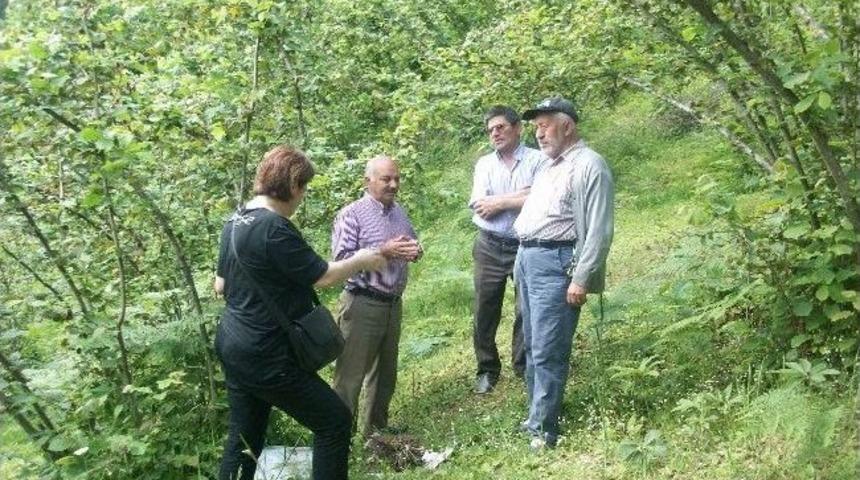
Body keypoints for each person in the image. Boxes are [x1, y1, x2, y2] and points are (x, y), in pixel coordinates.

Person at [213, 145, 387, 480]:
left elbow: (220, 284)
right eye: (304, 188)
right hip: (266, 352)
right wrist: (363, 259)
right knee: (333, 420)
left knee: (244, 439)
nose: (302, 197)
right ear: (294, 186)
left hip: (234, 344)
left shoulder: (234, 221)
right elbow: (323, 276)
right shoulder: (274, 228)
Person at [513, 97, 614, 449]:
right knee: (530, 343)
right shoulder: (549, 165)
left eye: (544, 125)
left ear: (567, 126)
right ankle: (535, 418)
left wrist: (581, 277)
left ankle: (544, 431)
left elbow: (600, 230)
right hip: (527, 258)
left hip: (556, 262)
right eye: (536, 127)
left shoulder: (590, 165)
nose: (538, 133)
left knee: (547, 349)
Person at [331, 154, 421, 436]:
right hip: (362, 303)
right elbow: (341, 260)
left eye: (397, 178)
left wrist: (416, 251)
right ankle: (338, 441)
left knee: (384, 377)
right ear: (368, 181)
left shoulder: (399, 212)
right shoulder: (352, 214)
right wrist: (383, 251)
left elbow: (411, 242)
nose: (393, 184)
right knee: (350, 377)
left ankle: (376, 435)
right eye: (386, 179)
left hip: (393, 304)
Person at [468, 105, 545, 394]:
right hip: (489, 245)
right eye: (490, 130)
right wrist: (522, 196)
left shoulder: (538, 160)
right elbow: (479, 205)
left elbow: (542, 197)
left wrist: (499, 201)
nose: (495, 133)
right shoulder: (484, 164)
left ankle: (523, 365)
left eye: (500, 127)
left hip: (526, 244)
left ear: (517, 128)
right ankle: (487, 369)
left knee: (526, 307)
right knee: (484, 309)